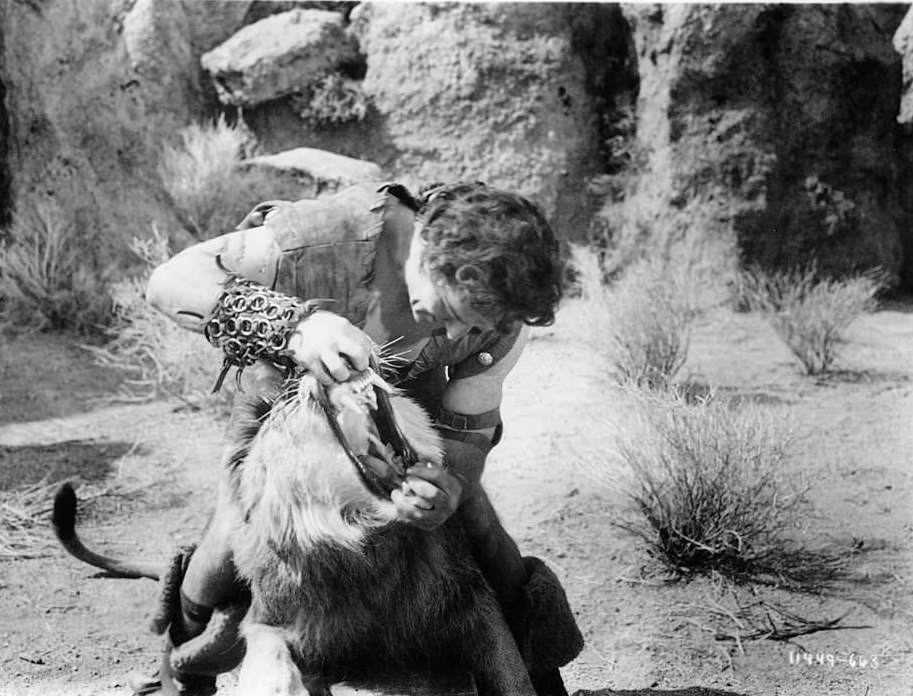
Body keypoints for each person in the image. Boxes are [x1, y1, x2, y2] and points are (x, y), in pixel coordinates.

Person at [140, 180, 583, 696]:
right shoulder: (321, 239)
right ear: (440, 260)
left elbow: (464, 445)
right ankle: (180, 666)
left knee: (476, 524)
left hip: (406, 408)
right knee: (229, 537)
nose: (458, 338)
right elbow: (167, 282)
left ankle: (535, 667)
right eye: (453, 315)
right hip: (283, 401)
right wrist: (297, 327)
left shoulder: (499, 318)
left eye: (471, 327)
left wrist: (447, 490)